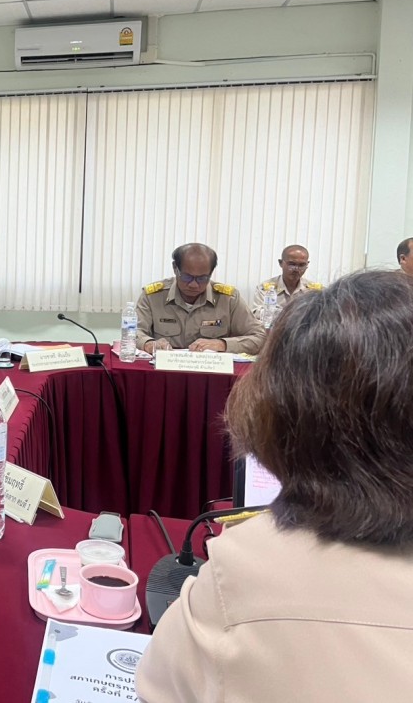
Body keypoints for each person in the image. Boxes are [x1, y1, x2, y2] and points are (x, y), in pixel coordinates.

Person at [136, 270, 413, 702]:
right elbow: (139, 336)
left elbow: (156, 688)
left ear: (278, 412)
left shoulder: (242, 572)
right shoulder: (152, 297)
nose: (195, 282)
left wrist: (221, 345)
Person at [135, 243, 265, 355]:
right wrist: (148, 343)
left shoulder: (228, 299)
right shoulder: (152, 296)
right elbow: (133, 332)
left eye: (202, 278)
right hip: (164, 370)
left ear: (211, 273)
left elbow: (259, 337)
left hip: (211, 372)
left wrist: (222, 344)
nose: (193, 284)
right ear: (175, 268)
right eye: (187, 277)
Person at [250, 244, 322, 319]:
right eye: (292, 264)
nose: (296, 269)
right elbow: (256, 314)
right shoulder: (265, 288)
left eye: (301, 265)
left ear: (307, 265)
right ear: (281, 263)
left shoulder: (315, 290)